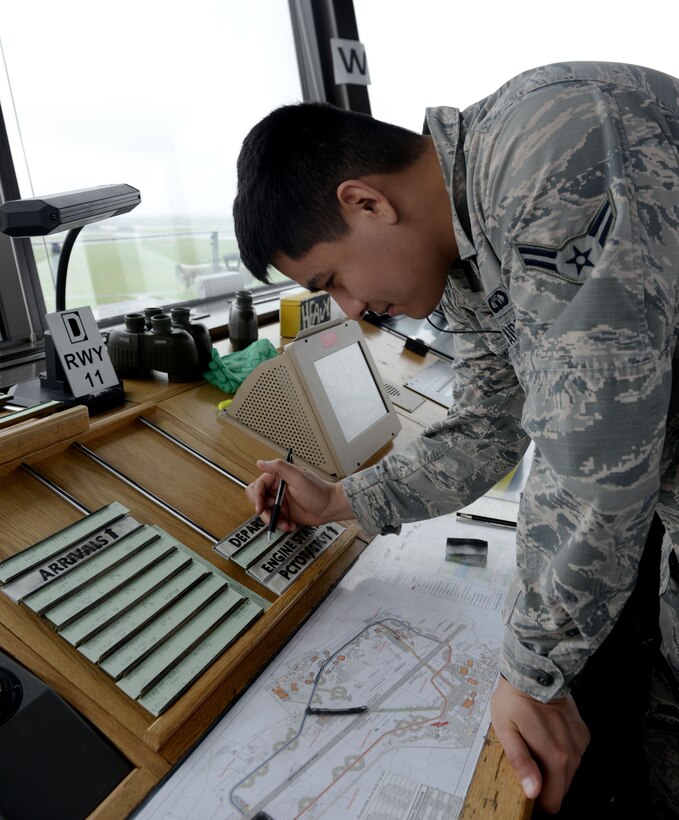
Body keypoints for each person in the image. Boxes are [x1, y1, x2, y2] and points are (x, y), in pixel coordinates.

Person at [234, 62, 679, 817]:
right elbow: (484, 426)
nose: (348, 310)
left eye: (329, 280)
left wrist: (531, 668)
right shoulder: (465, 249)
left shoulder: (548, 151)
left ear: (367, 202)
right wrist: (344, 498)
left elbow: (593, 450)